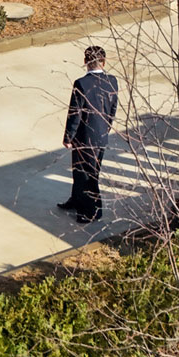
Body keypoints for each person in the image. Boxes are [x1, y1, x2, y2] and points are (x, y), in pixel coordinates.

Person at [60, 45, 119, 223]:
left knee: (87, 174)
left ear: (85, 62)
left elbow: (75, 113)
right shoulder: (112, 81)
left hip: (84, 137)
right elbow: (112, 108)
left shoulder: (81, 84)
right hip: (101, 135)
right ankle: (76, 200)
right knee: (81, 172)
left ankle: (92, 211)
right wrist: (106, 128)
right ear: (104, 61)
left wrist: (68, 137)